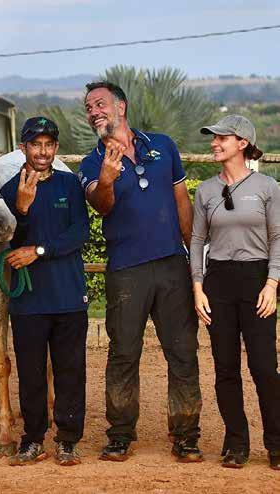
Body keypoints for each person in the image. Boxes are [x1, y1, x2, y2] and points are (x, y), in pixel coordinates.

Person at [78, 81, 203, 462]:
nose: (94, 111)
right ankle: (120, 435)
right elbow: (102, 206)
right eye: (89, 107)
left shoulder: (163, 145)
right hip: (126, 271)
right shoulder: (90, 163)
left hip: (172, 264)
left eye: (100, 103)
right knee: (123, 353)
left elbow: (182, 203)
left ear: (122, 106)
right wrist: (107, 178)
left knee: (183, 352)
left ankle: (186, 435)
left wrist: (195, 261)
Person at [191, 115, 280, 470]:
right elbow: (197, 240)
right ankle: (236, 443)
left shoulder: (268, 186)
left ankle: (276, 444)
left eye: (221, 138)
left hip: (257, 280)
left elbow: (278, 237)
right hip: (218, 283)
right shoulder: (205, 191)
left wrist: (272, 284)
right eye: (213, 138)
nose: (214, 143)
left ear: (242, 143)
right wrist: (198, 287)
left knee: (264, 367)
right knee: (225, 368)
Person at [0, 117, 90, 467]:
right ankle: (33, 439)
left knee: (70, 370)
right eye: (35, 144)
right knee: (31, 373)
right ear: (23, 147)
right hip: (28, 300)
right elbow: (9, 241)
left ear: (56, 148)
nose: (42, 151)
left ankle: (68, 440)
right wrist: (21, 209)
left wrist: (39, 251)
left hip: (68, 296)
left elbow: (79, 232)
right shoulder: (9, 190)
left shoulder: (70, 184)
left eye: (48, 145)